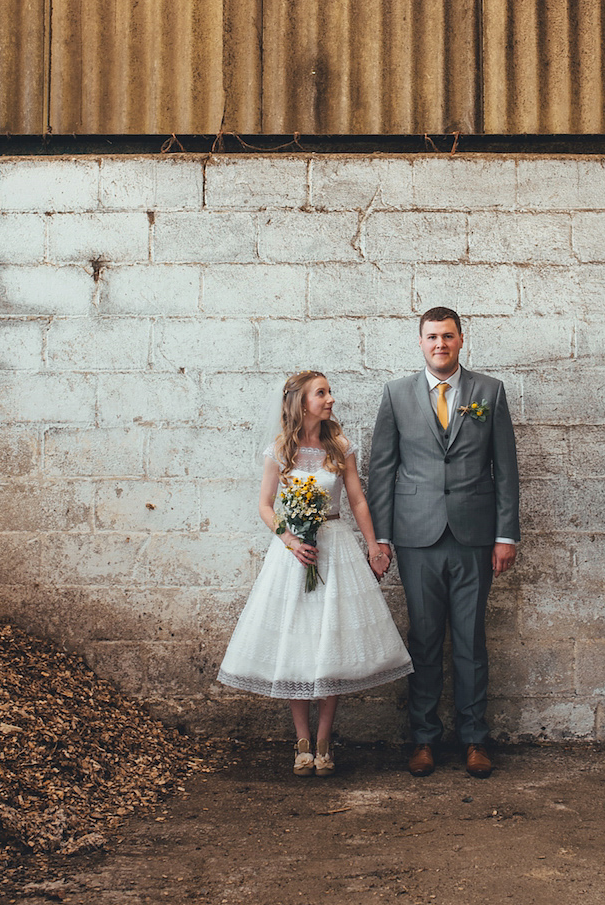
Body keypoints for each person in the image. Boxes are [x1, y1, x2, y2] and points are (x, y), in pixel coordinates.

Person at [218, 370, 413, 775]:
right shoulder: (279, 451)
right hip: (295, 554)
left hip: (336, 546)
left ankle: (325, 739)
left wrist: (374, 545)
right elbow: (266, 505)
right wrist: (289, 540)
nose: (331, 400)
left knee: (332, 642)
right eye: (321, 393)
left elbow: (358, 500)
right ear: (301, 402)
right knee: (298, 642)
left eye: (329, 392)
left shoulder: (339, 446)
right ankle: (301, 739)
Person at [367, 308, 520, 778]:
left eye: (448, 336)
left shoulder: (489, 392)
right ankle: (424, 740)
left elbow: (505, 468)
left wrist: (505, 534)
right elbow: (383, 471)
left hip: (475, 538)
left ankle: (475, 739)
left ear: (460, 340)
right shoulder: (396, 395)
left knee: (472, 641)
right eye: (432, 337)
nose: (440, 344)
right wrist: (383, 538)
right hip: (417, 538)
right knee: (425, 640)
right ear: (420, 342)